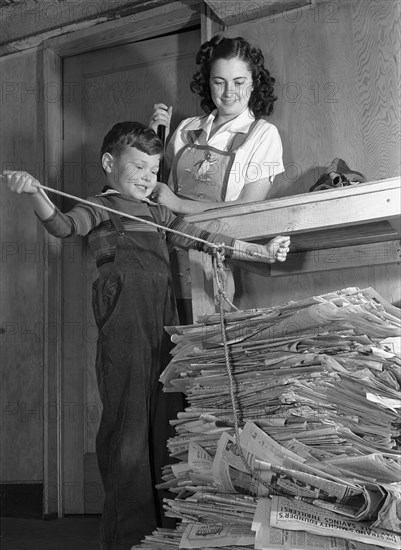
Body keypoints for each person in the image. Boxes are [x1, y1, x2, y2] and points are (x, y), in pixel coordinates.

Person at [4, 121, 290, 550]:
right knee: (128, 429)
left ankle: (168, 529)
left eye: (154, 170)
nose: (146, 177)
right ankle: (128, 537)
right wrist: (35, 194)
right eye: (138, 167)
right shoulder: (98, 207)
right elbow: (62, 228)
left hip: (164, 325)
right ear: (108, 164)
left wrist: (259, 251)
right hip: (124, 328)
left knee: (167, 421)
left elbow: (205, 239)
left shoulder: (159, 214)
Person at [148, 35, 284, 317]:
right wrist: (152, 136)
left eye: (239, 82)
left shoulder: (262, 135)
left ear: (254, 82)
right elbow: (154, 189)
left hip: (209, 263)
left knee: (203, 350)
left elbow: (245, 210)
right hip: (160, 255)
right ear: (207, 82)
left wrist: (179, 205)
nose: (228, 92)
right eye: (218, 81)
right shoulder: (187, 128)